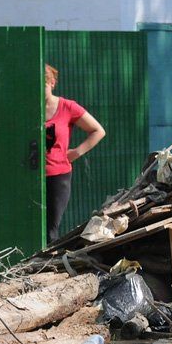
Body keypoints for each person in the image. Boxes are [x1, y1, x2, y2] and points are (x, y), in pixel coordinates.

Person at [44, 64, 105, 242]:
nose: (39, 89)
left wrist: (75, 153)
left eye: (44, 84)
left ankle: (46, 266)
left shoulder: (67, 107)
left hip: (57, 176)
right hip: (29, 175)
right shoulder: (27, 108)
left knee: (50, 229)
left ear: (52, 83)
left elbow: (98, 130)